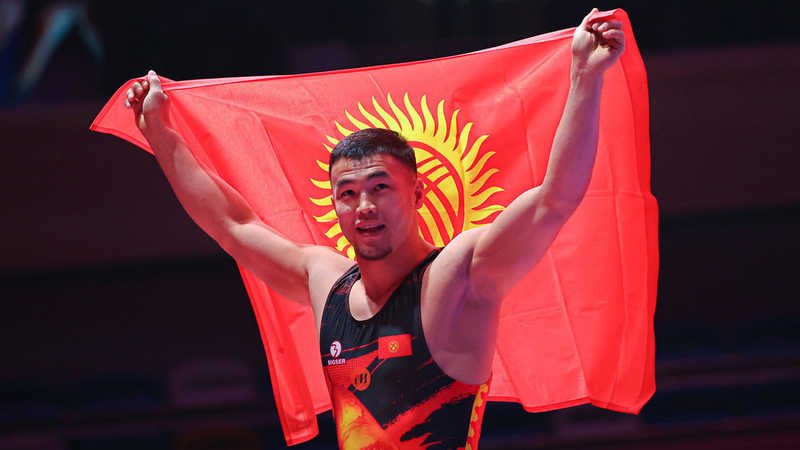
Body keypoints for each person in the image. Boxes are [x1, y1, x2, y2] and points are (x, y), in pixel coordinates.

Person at [125, 8, 624, 449]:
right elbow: (233, 225)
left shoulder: (458, 276)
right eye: (347, 193)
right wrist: (160, 135)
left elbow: (554, 200)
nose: (364, 206)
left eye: (380, 187)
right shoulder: (325, 281)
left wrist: (585, 76)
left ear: (418, 193)